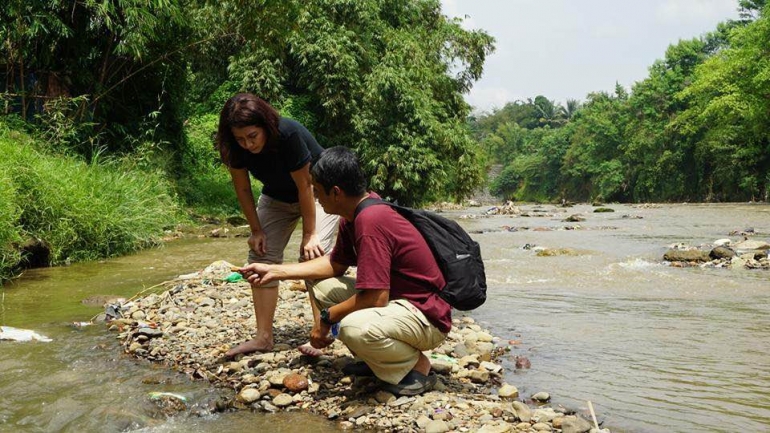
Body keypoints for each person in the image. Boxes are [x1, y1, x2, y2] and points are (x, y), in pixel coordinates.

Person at [237, 146, 450, 396]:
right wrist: (274, 271)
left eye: (317, 191)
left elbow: (375, 298)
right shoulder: (354, 214)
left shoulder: (371, 221)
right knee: (321, 285)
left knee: (351, 327)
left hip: (426, 317)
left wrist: (326, 319)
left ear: (336, 192)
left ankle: (415, 367)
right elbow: (334, 265)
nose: (315, 198)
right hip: (400, 302)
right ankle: (379, 360)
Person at [216, 93, 338, 357]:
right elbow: (242, 188)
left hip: (318, 192)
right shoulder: (234, 146)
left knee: (312, 257)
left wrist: (310, 234)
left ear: (265, 127)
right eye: (240, 139)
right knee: (260, 255)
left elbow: (305, 186)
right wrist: (256, 230)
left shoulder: (287, 133)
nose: (247, 144)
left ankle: (321, 334)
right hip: (276, 196)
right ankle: (263, 338)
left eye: (252, 136)